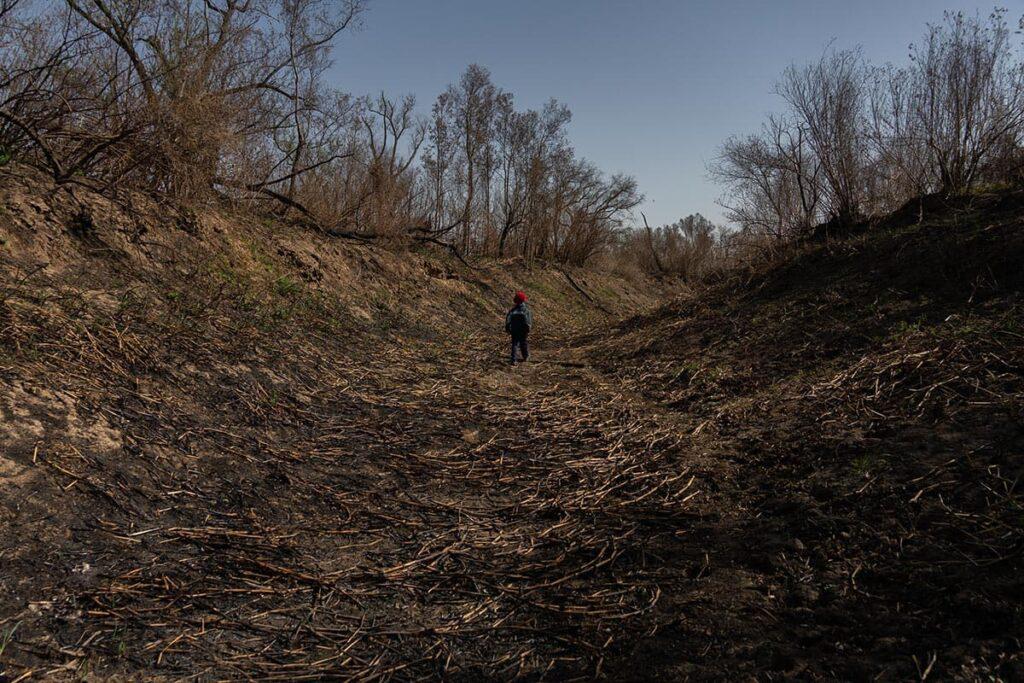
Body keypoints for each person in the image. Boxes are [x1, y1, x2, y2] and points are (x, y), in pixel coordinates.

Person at [505, 290, 532, 365]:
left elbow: (508, 319)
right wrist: (528, 327)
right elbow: (528, 320)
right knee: (523, 343)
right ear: (523, 300)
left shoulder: (513, 310)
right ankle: (525, 356)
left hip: (514, 329)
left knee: (514, 344)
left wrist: (507, 327)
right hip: (523, 330)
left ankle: (513, 359)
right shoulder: (525, 310)